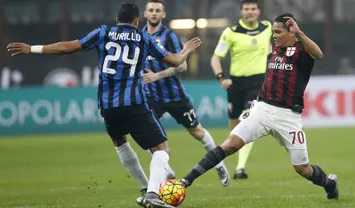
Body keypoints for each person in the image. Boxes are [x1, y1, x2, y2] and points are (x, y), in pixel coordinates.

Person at [7, 3, 201, 208]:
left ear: (117, 20)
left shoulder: (103, 32)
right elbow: (175, 61)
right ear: (137, 21)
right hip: (134, 102)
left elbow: (66, 47)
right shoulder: (144, 37)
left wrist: (32, 48)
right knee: (162, 151)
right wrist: (186, 50)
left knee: (120, 144)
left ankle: (145, 188)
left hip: (108, 105)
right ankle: (152, 193)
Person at [179, 13, 339, 201]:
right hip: (262, 109)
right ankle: (184, 182)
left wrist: (300, 33)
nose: (275, 35)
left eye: (279, 32)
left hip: (288, 116)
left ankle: (330, 184)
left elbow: (319, 54)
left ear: (292, 32)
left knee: (302, 169)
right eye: (273, 32)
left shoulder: (301, 51)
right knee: (230, 144)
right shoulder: (274, 49)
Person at [142, 0, 230, 186]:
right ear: (145, 14)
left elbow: (183, 65)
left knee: (197, 131)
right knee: (147, 136)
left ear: (163, 14)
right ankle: (166, 171)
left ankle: (219, 164)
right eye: (151, 10)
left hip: (175, 96)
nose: (154, 13)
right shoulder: (139, 37)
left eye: (158, 10)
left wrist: (158, 75)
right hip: (151, 98)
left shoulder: (169, 36)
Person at [211, 0, 272, 179]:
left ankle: (240, 168)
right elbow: (215, 58)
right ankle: (226, 161)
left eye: (253, 9)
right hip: (236, 84)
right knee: (235, 128)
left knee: (248, 119)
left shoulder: (267, 27)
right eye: (246, 9)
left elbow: (269, 46)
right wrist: (221, 78)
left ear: (259, 11)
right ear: (241, 11)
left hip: (258, 81)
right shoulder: (231, 33)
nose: (250, 12)